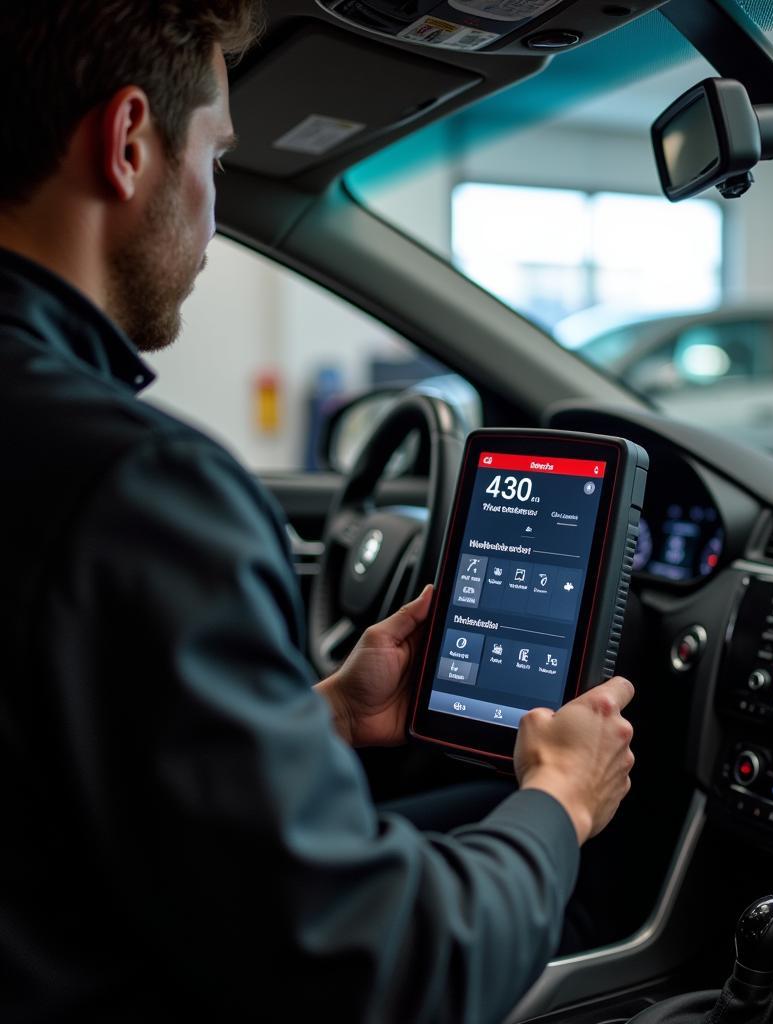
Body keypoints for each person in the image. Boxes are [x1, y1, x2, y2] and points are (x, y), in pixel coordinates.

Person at [0, 3, 636, 1021]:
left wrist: (324, 714)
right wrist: (560, 798)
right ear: (128, 144)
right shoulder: (137, 488)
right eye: (212, 154)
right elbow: (382, 969)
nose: (209, 211)